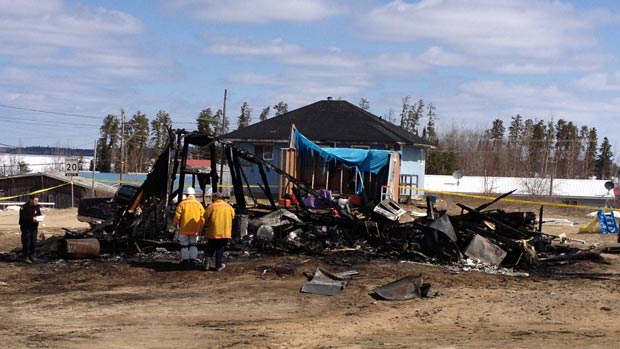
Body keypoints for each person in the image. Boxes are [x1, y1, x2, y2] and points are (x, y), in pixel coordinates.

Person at [172, 187, 205, 266]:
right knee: (193, 244)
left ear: (186, 195)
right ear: (194, 195)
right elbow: (203, 217)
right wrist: (201, 227)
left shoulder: (182, 204)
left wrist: (174, 224)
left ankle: (185, 260)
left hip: (184, 228)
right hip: (195, 229)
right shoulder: (199, 204)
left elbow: (177, 216)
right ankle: (193, 259)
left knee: (184, 245)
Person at [203, 192, 235, 271]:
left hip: (213, 232)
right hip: (225, 232)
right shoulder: (229, 207)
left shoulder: (212, 206)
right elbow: (233, 216)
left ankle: (206, 264)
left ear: (215, 197)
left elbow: (205, 217)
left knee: (210, 247)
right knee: (220, 249)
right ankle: (218, 265)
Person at [18, 195, 42, 264]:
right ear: (31, 200)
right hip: (26, 228)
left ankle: (32, 255)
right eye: (35, 201)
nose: (36, 202)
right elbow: (22, 218)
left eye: (37, 201)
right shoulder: (24, 207)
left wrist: (39, 218)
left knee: (34, 242)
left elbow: (39, 214)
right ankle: (26, 256)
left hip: (34, 228)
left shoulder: (37, 207)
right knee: (27, 242)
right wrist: (31, 219)